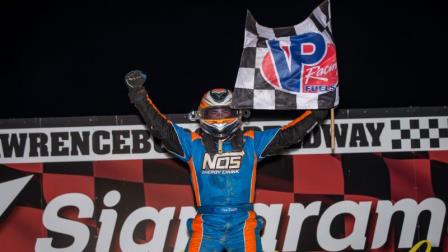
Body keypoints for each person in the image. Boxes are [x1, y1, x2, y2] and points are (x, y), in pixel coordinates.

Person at [125, 70, 328, 252]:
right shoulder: (193, 144)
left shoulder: (251, 142)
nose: (220, 118)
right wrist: (139, 95)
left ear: (237, 113)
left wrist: (318, 111)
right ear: (202, 115)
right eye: (214, 112)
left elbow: (289, 135)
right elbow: (163, 130)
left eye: (225, 112)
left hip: (243, 224)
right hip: (207, 225)